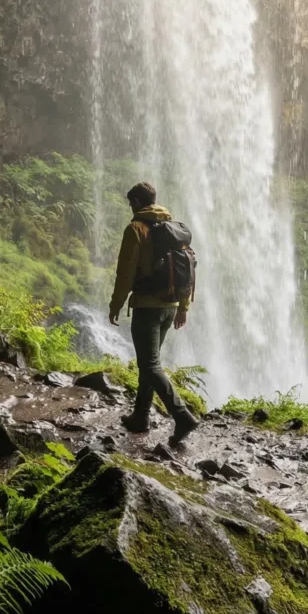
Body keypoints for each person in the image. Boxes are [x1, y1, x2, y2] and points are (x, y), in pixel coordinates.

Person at [109, 181, 199, 445]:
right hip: (170, 306)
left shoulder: (135, 229)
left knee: (149, 365)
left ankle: (183, 416)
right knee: (149, 363)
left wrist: (116, 304)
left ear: (137, 202)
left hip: (147, 306)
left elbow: (125, 273)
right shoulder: (174, 229)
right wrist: (183, 307)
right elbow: (188, 271)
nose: (129, 208)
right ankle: (140, 416)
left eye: (130, 203)